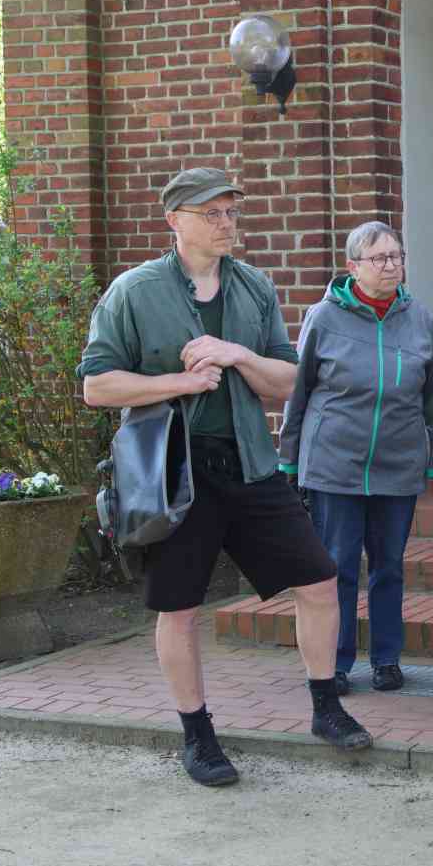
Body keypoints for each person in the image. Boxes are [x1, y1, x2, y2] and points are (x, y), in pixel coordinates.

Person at [79, 167, 372, 788]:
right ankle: (198, 735)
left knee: (320, 581)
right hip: (175, 476)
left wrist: (236, 355)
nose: (226, 223)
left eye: (231, 211)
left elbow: (289, 381)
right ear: (175, 220)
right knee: (180, 609)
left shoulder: (254, 288)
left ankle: (325, 707)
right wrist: (180, 382)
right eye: (211, 213)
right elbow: (97, 385)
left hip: (250, 463)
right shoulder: (134, 292)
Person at [279, 222, 433, 697]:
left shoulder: (420, 318)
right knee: (336, 567)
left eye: (397, 256)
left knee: (389, 565)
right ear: (353, 266)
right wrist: (290, 459)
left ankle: (386, 659)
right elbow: (298, 392)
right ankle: (333, 663)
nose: (393, 265)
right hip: (334, 464)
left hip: (398, 464)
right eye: (380, 259)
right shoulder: (324, 316)